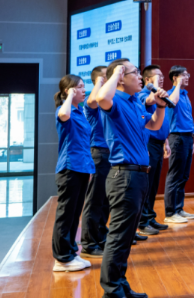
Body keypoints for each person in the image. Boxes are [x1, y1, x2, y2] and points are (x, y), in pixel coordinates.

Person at [96, 58, 169, 298]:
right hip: (124, 176)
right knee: (118, 236)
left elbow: (154, 125)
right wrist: (115, 72)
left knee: (126, 237)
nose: (140, 77)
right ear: (120, 78)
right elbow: (101, 98)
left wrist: (160, 106)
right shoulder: (114, 100)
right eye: (135, 73)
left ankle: (120, 284)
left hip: (138, 176)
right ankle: (112, 290)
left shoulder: (135, 102)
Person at [52, 74, 95, 272]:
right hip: (69, 168)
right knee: (66, 214)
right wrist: (68, 96)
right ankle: (61, 259)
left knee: (74, 214)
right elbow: (63, 115)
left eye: (84, 86)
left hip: (82, 168)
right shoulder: (64, 109)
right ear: (68, 90)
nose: (83, 90)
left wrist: (89, 169)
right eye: (79, 87)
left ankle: (70, 253)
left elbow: (84, 144)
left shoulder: (80, 112)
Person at [136, 65, 171, 236]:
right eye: (158, 76)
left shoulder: (160, 95)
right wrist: (154, 87)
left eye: (162, 76)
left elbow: (162, 123)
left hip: (159, 143)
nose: (162, 79)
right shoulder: (143, 94)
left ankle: (150, 217)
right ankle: (142, 221)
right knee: (147, 184)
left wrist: (166, 142)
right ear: (147, 80)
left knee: (154, 183)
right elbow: (150, 100)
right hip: (149, 144)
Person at [80, 66, 110, 258]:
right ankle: (89, 244)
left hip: (110, 154)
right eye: (108, 76)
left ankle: (100, 236)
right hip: (98, 153)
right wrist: (100, 81)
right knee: (94, 200)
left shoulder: (108, 100)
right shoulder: (92, 101)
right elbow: (92, 101)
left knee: (106, 200)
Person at [164, 65, 194, 224]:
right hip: (177, 137)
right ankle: (170, 213)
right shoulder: (171, 94)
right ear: (175, 77)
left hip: (187, 137)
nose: (187, 77)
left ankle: (179, 209)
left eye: (188, 74)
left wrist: (192, 139)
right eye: (184, 75)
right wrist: (177, 85)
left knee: (184, 175)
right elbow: (172, 102)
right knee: (174, 175)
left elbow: (188, 118)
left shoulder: (185, 95)